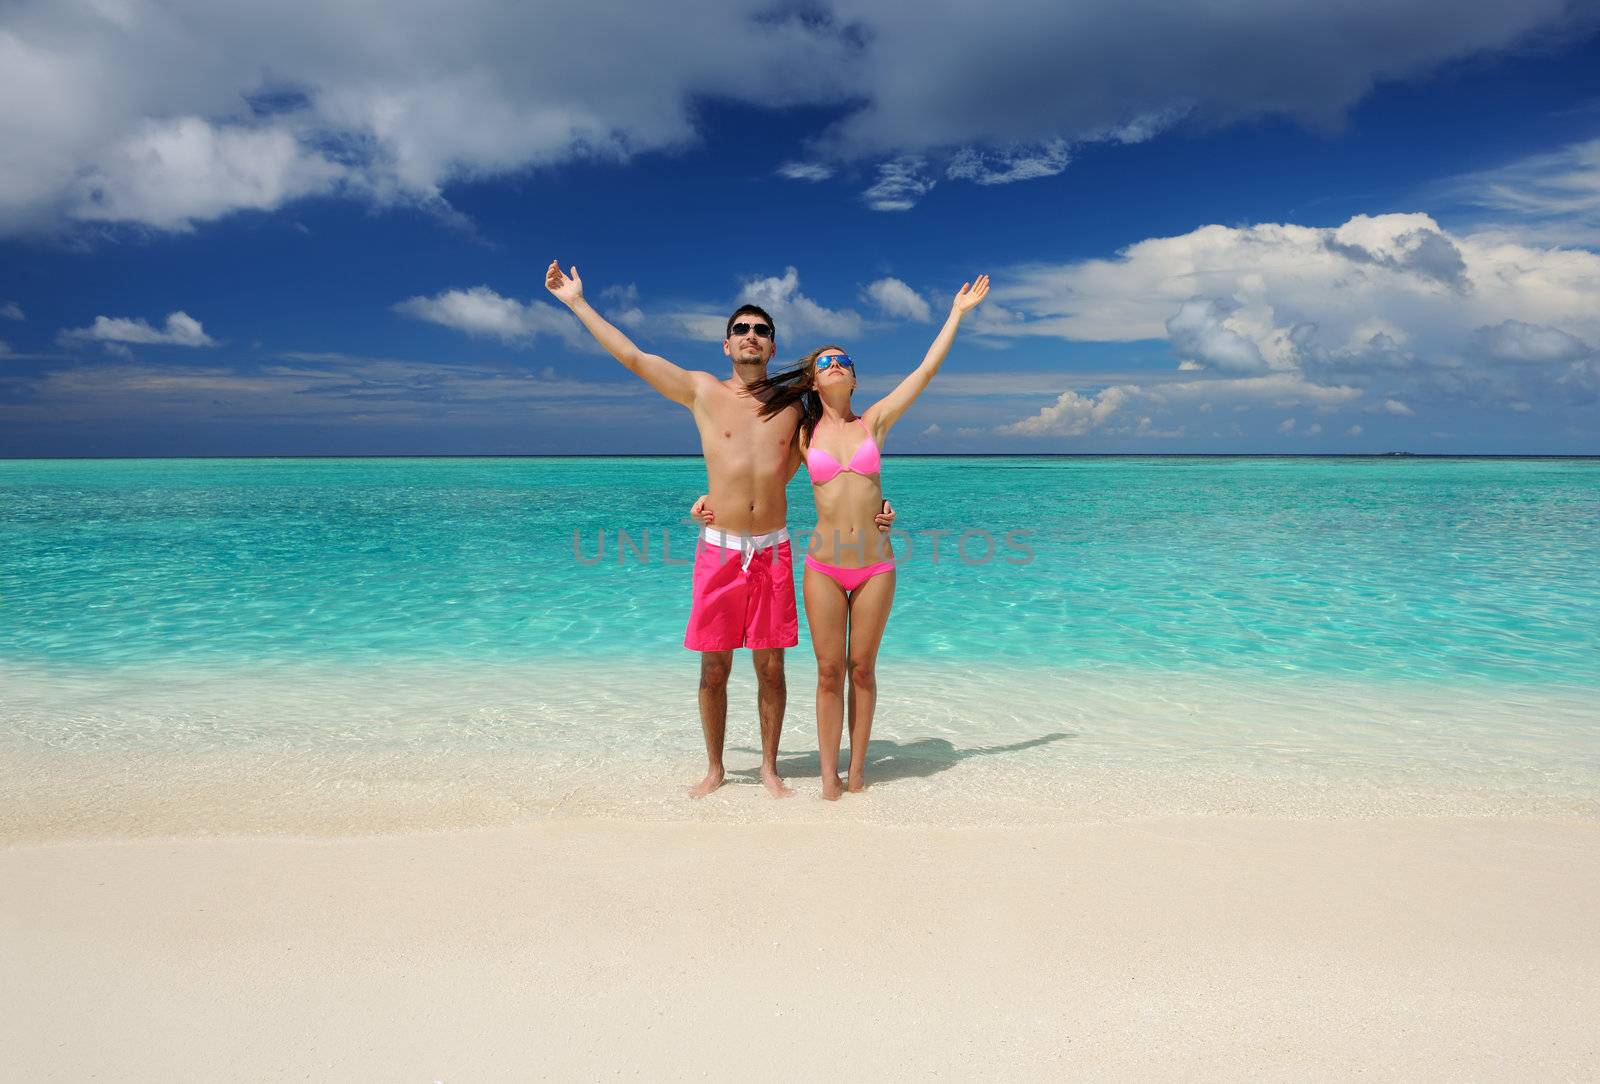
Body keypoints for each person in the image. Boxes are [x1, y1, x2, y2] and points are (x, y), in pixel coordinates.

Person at [543, 261, 893, 798]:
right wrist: (577, 303)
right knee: (713, 669)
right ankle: (716, 768)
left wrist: (879, 503)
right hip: (720, 547)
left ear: (773, 348)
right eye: (741, 329)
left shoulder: (795, 411)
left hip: (773, 548)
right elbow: (635, 358)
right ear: (726, 345)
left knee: (772, 668)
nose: (750, 336)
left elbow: (839, 459)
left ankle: (771, 768)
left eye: (761, 330)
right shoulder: (702, 391)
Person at [695, 276, 989, 799]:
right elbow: (759, 480)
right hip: (822, 565)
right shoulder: (804, 434)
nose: (833, 365)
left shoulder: (875, 423)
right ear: (811, 379)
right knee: (828, 672)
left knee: (863, 670)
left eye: (842, 360)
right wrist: (711, 503)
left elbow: (924, 372)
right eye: (824, 362)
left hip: (876, 561)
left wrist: (956, 315)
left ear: (854, 377)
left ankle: (856, 775)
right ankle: (828, 778)